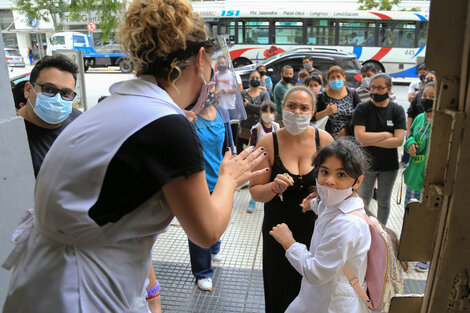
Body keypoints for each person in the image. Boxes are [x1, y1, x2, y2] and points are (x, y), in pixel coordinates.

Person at [2, 1, 267, 312]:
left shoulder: (117, 105)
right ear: (200, 59)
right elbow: (206, 232)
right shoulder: (167, 126)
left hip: (43, 280)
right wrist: (228, 178)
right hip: (85, 292)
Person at [249, 86, 333, 313]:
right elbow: (255, 192)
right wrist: (274, 187)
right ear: (282, 108)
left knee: (312, 288)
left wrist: (322, 191)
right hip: (278, 228)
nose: (297, 112)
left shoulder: (323, 140)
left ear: (312, 111)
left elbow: (340, 183)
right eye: (291, 106)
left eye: (304, 108)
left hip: (315, 229)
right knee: (279, 289)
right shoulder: (269, 142)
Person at [270, 137, 371, 313]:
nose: (329, 181)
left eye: (341, 174)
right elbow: (329, 207)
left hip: (332, 304)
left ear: (358, 181)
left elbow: (317, 272)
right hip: (320, 296)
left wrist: (289, 242)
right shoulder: (340, 205)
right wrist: (314, 204)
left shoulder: (347, 225)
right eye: (324, 172)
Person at [188, 102, 235, 291]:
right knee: (199, 226)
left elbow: (229, 147)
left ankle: (215, 245)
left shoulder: (222, 113)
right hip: (197, 181)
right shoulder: (188, 116)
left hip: (220, 179)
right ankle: (203, 272)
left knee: (218, 218)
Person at [15, 54, 82, 177]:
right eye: (49, 90)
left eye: (66, 93)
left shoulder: (78, 120)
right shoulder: (12, 140)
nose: (57, 99)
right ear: (28, 90)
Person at [352, 73, 406, 225]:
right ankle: (364, 227)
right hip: (366, 163)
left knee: (384, 201)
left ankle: (382, 231)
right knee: (363, 200)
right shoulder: (362, 109)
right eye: (373, 87)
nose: (375, 91)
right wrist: (385, 134)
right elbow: (360, 138)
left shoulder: (397, 110)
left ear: (389, 89)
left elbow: (398, 141)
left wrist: (370, 139)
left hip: (389, 165)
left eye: (380, 88)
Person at [403, 82, 435, 272]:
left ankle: (426, 255)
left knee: (429, 216)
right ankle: (409, 250)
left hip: (432, 177)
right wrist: (411, 144)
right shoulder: (420, 118)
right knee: (412, 213)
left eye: (433, 97)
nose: (427, 100)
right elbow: (411, 136)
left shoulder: (445, 121)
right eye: (426, 96)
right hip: (415, 175)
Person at [246, 101, 280, 213]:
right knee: (257, 181)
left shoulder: (276, 126)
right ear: (261, 113)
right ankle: (253, 200)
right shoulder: (257, 128)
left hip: (273, 159)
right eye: (266, 111)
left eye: (271, 111)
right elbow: (253, 145)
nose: (268, 114)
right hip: (259, 160)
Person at [314, 65, 361, 137]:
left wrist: (347, 130)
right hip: (328, 139)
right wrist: (326, 112)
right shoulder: (322, 97)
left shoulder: (352, 93)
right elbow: (312, 117)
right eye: (332, 77)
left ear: (344, 78)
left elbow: (360, 115)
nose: (336, 80)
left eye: (338, 77)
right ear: (327, 80)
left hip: (351, 137)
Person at [238, 70, 270, 153]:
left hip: (260, 130)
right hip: (244, 129)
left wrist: (248, 105)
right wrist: (257, 108)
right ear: (249, 80)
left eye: (257, 78)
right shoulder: (242, 93)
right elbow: (239, 109)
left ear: (261, 80)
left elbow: (264, 109)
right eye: (253, 78)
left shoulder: (264, 94)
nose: (255, 79)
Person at [215, 55, 240, 145]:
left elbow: (238, 89)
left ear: (226, 63)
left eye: (222, 63)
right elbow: (215, 88)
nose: (220, 65)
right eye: (219, 63)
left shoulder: (232, 74)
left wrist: (225, 91)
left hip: (231, 106)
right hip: (220, 107)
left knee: (234, 130)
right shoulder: (216, 75)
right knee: (224, 130)